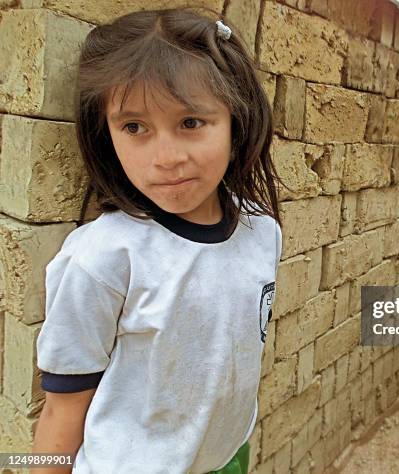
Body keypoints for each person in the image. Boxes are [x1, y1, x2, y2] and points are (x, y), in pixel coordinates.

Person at [32, 8, 283, 474]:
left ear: (236, 119)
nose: (166, 158)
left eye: (190, 122)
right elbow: (61, 409)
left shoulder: (262, 231)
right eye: (134, 127)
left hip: (228, 459)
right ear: (105, 133)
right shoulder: (102, 259)